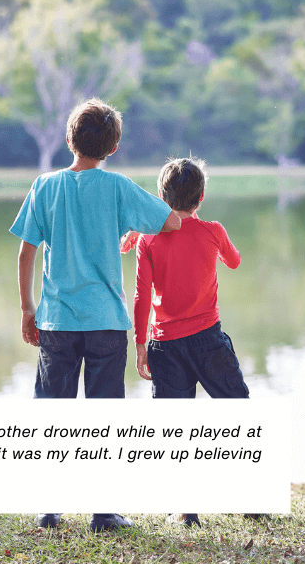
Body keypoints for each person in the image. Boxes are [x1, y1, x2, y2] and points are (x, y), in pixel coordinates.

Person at [9, 97, 182, 533]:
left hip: (56, 323)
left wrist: (28, 308)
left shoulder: (44, 186)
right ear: (114, 147)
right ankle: (103, 513)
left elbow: (26, 252)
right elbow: (171, 223)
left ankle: (50, 507)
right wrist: (126, 227)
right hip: (106, 321)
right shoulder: (117, 186)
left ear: (68, 138)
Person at [122, 157, 249, 528]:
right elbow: (236, 262)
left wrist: (140, 344)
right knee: (237, 409)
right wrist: (219, 247)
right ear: (202, 196)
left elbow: (141, 295)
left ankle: (185, 508)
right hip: (208, 340)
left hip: (165, 345)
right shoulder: (213, 230)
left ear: (162, 197)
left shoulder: (148, 239)